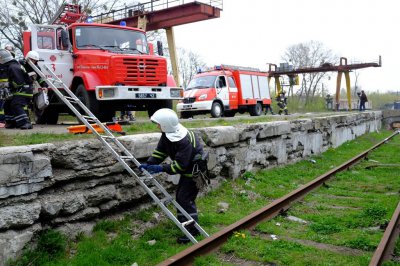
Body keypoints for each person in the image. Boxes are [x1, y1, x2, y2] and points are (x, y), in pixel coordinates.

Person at [139, 108, 206, 244]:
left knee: (185, 199)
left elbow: (179, 166)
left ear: (165, 125)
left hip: (195, 172)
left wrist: (160, 168)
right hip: (188, 169)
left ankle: (192, 230)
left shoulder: (184, 141)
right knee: (181, 198)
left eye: (158, 124)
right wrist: (149, 164)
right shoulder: (167, 134)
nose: (157, 126)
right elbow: (160, 152)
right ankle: (187, 225)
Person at [0, 49, 33, 129]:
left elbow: (18, 82)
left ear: (3, 58)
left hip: (24, 90)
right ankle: (11, 122)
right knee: (7, 104)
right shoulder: (11, 66)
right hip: (18, 90)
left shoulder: (13, 67)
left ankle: (26, 123)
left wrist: (7, 86)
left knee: (16, 104)